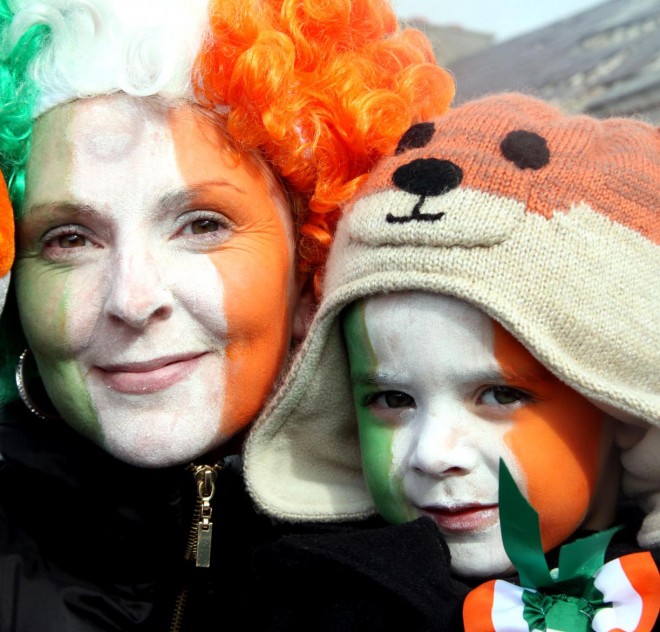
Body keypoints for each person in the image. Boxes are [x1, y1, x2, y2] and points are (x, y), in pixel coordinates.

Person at [0, 0, 455, 629]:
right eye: (70, 238)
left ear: (311, 266)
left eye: (202, 225)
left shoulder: (457, 559)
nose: (132, 300)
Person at [243, 93, 660, 630]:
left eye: (500, 394)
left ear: (620, 405)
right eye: (393, 399)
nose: (434, 455)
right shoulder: (316, 599)